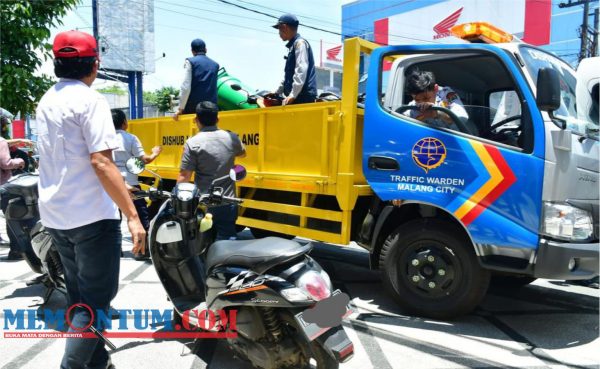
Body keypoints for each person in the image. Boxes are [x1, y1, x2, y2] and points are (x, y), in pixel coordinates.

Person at [36, 30, 145, 369]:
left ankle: (99, 364)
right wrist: (132, 215)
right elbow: (101, 161)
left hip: (57, 215)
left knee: (80, 300)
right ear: (95, 64)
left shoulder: (46, 99)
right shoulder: (91, 100)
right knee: (95, 305)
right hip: (91, 218)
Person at [177, 101, 245, 240]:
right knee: (228, 240)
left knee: (203, 241)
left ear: (196, 120)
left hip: (204, 202)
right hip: (227, 201)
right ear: (217, 119)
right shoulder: (232, 137)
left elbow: (185, 176)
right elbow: (242, 154)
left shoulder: (193, 142)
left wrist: (177, 201)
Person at [111, 108, 162, 259]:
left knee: (113, 219)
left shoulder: (103, 138)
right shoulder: (130, 138)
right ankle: (142, 250)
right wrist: (155, 152)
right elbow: (144, 159)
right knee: (139, 217)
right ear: (125, 123)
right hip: (131, 184)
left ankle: (115, 250)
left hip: (110, 185)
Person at [272, 14, 317, 106]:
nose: (279, 33)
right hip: (298, 96)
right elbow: (289, 76)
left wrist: (293, 95)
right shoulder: (293, 46)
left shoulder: (300, 43)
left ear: (284, 27)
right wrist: (277, 92)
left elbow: (301, 70)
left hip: (303, 97)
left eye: (279, 29)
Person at [404, 70, 469, 131]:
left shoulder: (447, 94)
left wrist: (439, 114)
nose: (422, 103)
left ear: (436, 89)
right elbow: (403, 122)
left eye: (426, 98)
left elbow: (462, 118)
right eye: (417, 100)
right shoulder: (412, 106)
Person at [173, 38, 219, 121]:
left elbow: (185, 87)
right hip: (211, 109)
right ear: (206, 49)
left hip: (194, 109)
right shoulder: (215, 65)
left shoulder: (190, 62)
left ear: (192, 51)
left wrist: (180, 109)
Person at [0, 125, 26, 260]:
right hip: (3, 186)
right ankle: (16, 251)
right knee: (12, 218)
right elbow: (6, 163)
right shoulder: (1, 141)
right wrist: (20, 161)